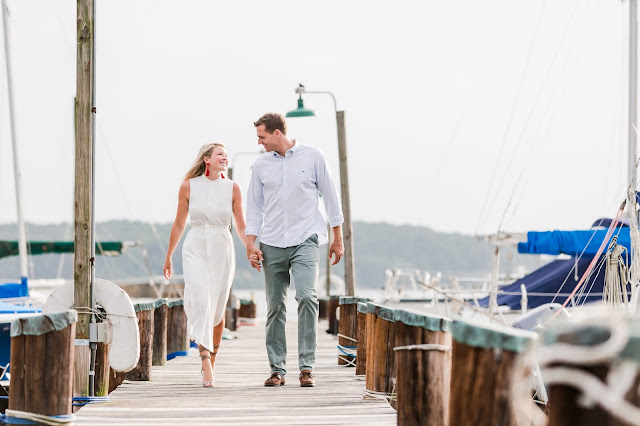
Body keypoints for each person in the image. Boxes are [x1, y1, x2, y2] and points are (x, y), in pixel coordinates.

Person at [245, 112, 344, 387]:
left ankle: (306, 368)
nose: (259, 143)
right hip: (272, 242)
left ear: (277, 133)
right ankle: (277, 370)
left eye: (262, 137)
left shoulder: (313, 156)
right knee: (275, 306)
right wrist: (250, 243)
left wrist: (338, 238)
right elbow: (254, 208)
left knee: (307, 297)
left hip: (306, 239)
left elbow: (331, 198)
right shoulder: (261, 165)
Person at [163, 142, 248, 388]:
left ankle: (213, 359)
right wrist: (169, 255)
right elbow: (179, 224)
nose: (225, 157)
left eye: (226, 154)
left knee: (218, 307)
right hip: (196, 244)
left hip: (223, 245)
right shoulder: (189, 186)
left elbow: (240, 226)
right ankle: (204, 360)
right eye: (220, 154)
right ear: (206, 159)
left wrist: (250, 246)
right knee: (200, 298)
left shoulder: (233, 188)